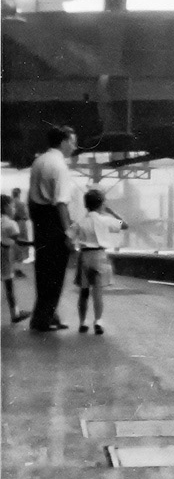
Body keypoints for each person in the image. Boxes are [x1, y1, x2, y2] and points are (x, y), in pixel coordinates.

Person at [28, 125, 78, 332]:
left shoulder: (39, 161)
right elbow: (61, 203)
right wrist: (69, 233)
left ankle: (46, 315)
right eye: (73, 142)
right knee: (55, 274)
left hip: (40, 220)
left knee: (43, 272)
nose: (74, 146)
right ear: (64, 141)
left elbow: (31, 197)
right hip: (54, 221)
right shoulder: (60, 166)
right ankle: (44, 320)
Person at [69, 189, 127, 335]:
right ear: (101, 204)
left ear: (86, 205)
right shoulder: (105, 220)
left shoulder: (80, 222)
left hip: (84, 256)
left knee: (84, 292)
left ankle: (82, 323)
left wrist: (75, 250)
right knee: (97, 291)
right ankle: (98, 322)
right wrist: (111, 212)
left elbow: (68, 238)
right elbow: (124, 225)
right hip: (99, 256)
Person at [1, 195, 31, 323]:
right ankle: (15, 314)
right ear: (5, 207)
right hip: (5, 254)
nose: (14, 209)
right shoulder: (10, 223)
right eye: (12, 206)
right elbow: (19, 241)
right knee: (9, 286)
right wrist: (34, 243)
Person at [10, 188, 30, 278]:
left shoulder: (10, 203)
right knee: (21, 247)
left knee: (14, 247)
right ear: (19, 194)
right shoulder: (21, 204)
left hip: (12, 225)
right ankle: (18, 271)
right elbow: (26, 216)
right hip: (21, 225)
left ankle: (13, 269)